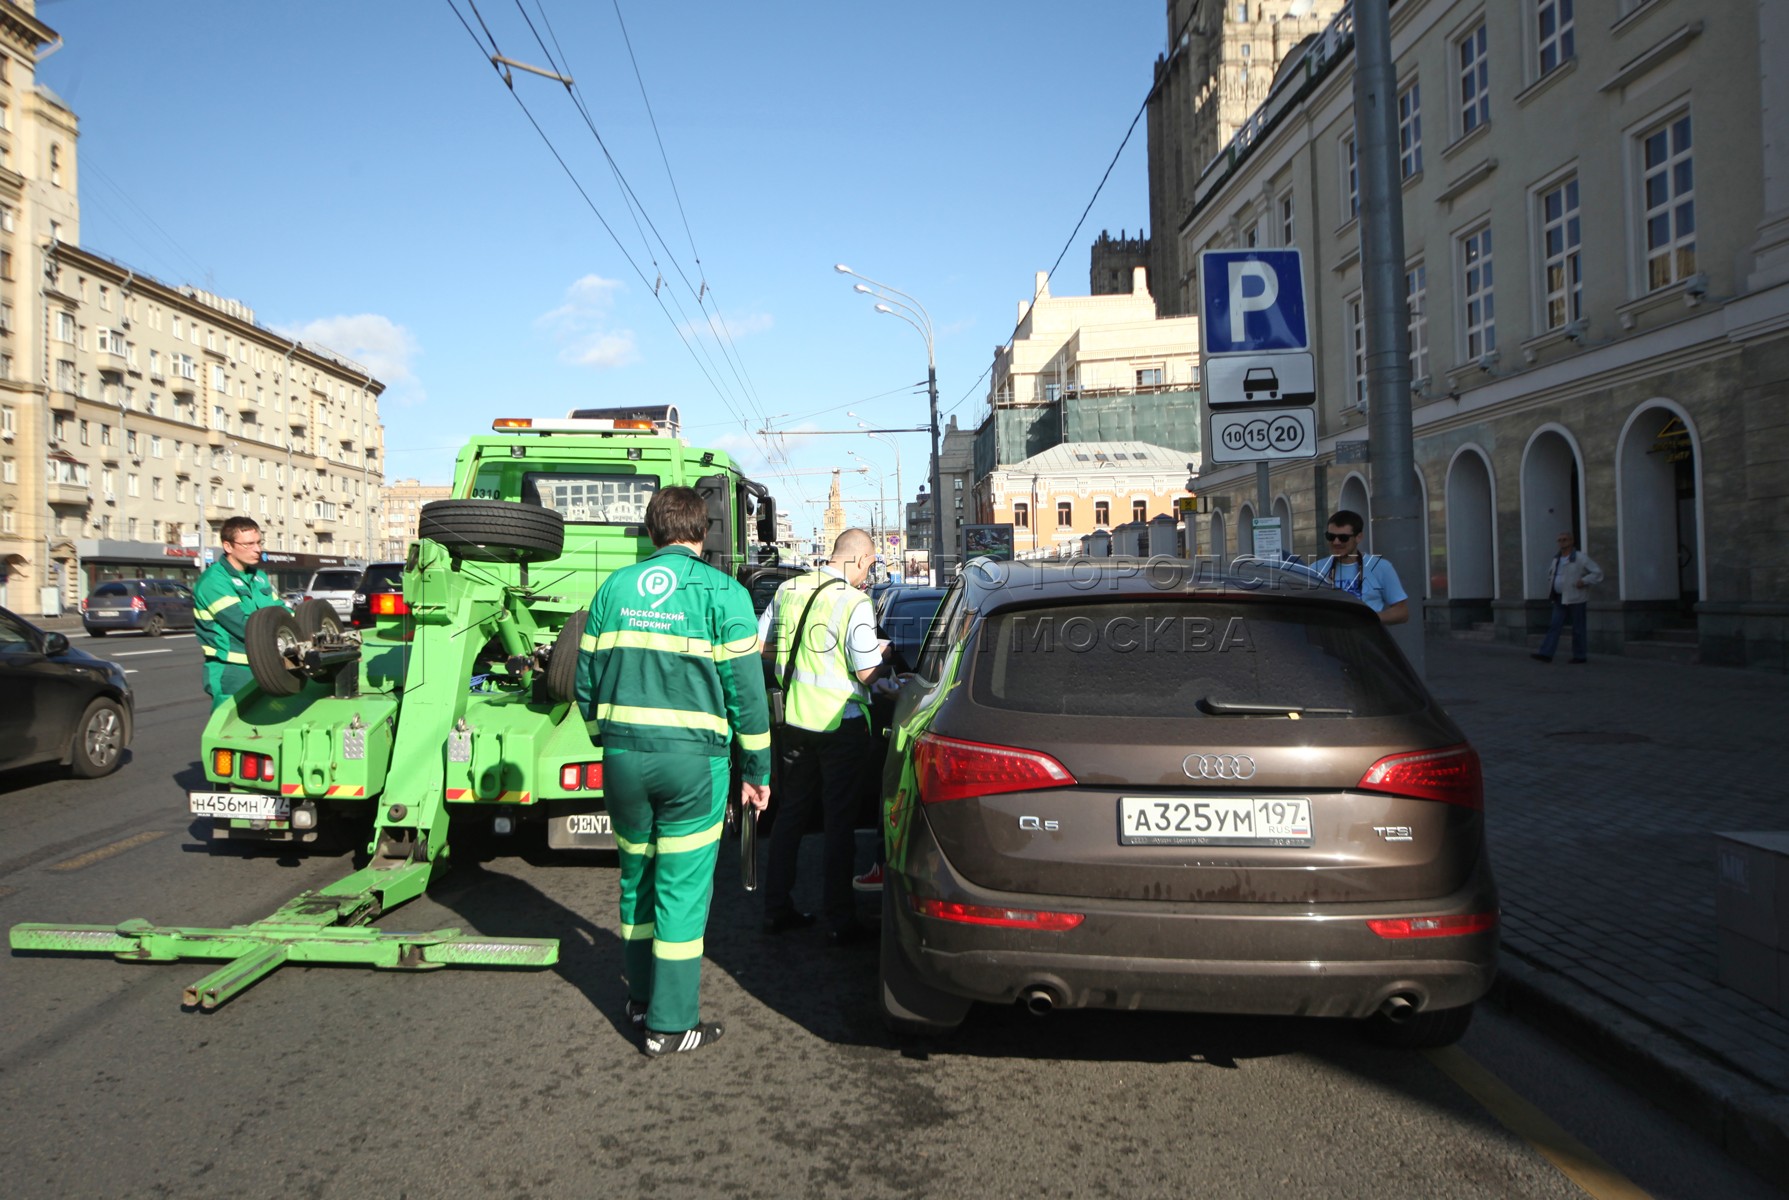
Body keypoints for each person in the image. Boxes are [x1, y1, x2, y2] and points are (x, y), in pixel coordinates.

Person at [575, 486, 772, 1056]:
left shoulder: (612, 589)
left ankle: (639, 997)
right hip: (693, 766)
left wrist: (606, 739)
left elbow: (584, 680)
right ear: (704, 532)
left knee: (636, 877)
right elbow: (748, 697)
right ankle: (670, 1023)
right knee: (681, 892)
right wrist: (756, 769)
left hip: (623, 759)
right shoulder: (724, 594)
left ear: (649, 531)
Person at [760, 528, 891, 946]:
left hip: (794, 723)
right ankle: (840, 918)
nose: (868, 574)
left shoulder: (788, 589)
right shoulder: (854, 602)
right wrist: (885, 660)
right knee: (839, 822)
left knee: (791, 815)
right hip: (841, 726)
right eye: (869, 564)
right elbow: (867, 672)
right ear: (856, 559)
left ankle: (776, 907)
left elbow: (763, 646)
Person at [193, 516, 286, 710]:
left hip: (266, 665)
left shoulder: (258, 577)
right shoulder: (214, 581)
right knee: (233, 734)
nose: (257, 549)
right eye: (249, 544)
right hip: (232, 671)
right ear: (228, 546)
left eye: (259, 543)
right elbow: (243, 625)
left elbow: (282, 613)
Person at [1311, 510, 1409, 624]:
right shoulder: (1315, 569)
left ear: (1358, 537)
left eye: (1343, 537)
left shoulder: (1381, 567)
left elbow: (1402, 611)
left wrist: (1368, 619)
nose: (1336, 542)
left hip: (1366, 639)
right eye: (1331, 536)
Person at [1533, 531, 1604, 664]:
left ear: (1571, 541)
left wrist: (1584, 581)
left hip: (1576, 597)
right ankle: (1546, 653)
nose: (1561, 542)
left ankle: (1580, 656)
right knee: (1555, 625)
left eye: (1564, 540)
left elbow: (1597, 572)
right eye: (1559, 540)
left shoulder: (1580, 557)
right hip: (1559, 597)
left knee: (1578, 627)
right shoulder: (1556, 559)